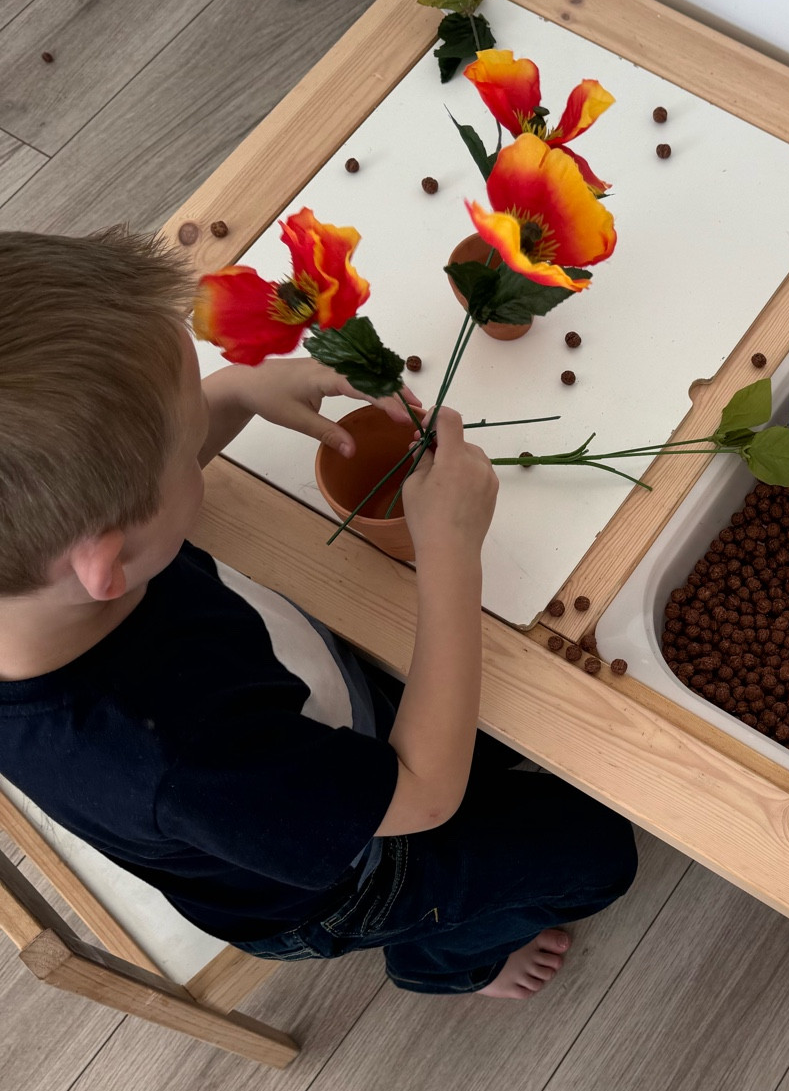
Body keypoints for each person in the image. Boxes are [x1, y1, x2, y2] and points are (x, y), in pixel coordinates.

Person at [0, 228, 636, 999]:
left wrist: (235, 393)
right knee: (599, 851)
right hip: (342, 880)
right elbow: (423, 795)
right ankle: (449, 960)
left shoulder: (43, 583)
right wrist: (450, 557)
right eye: (187, 441)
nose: (201, 425)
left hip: (303, 728)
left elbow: (108, 503)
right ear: (108, 565)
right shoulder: (180, 761)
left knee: (473, 726)